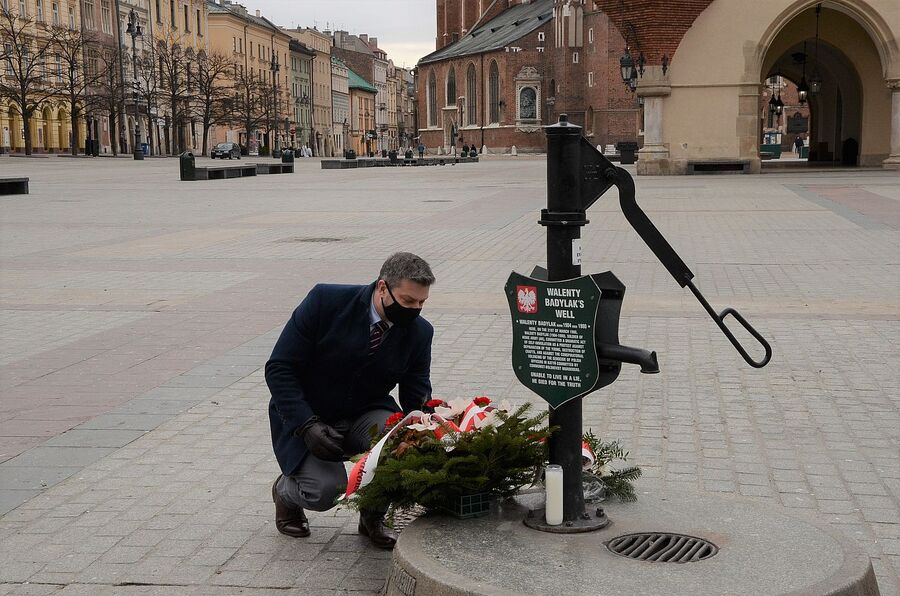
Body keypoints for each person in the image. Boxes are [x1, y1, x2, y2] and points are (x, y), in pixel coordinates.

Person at [266, 253, 435, 549]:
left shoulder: (420, 332)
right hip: (308, 413)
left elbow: (415, 390)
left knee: (399, 444)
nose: (415, 310)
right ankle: (285, 493)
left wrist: (424, 425)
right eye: (408, 301)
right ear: (382, 288)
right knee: (325, 492)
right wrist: (305, 424)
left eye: (421, 303)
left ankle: (372, 515)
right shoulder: (325, 302)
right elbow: (280, 368)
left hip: (365, 412)